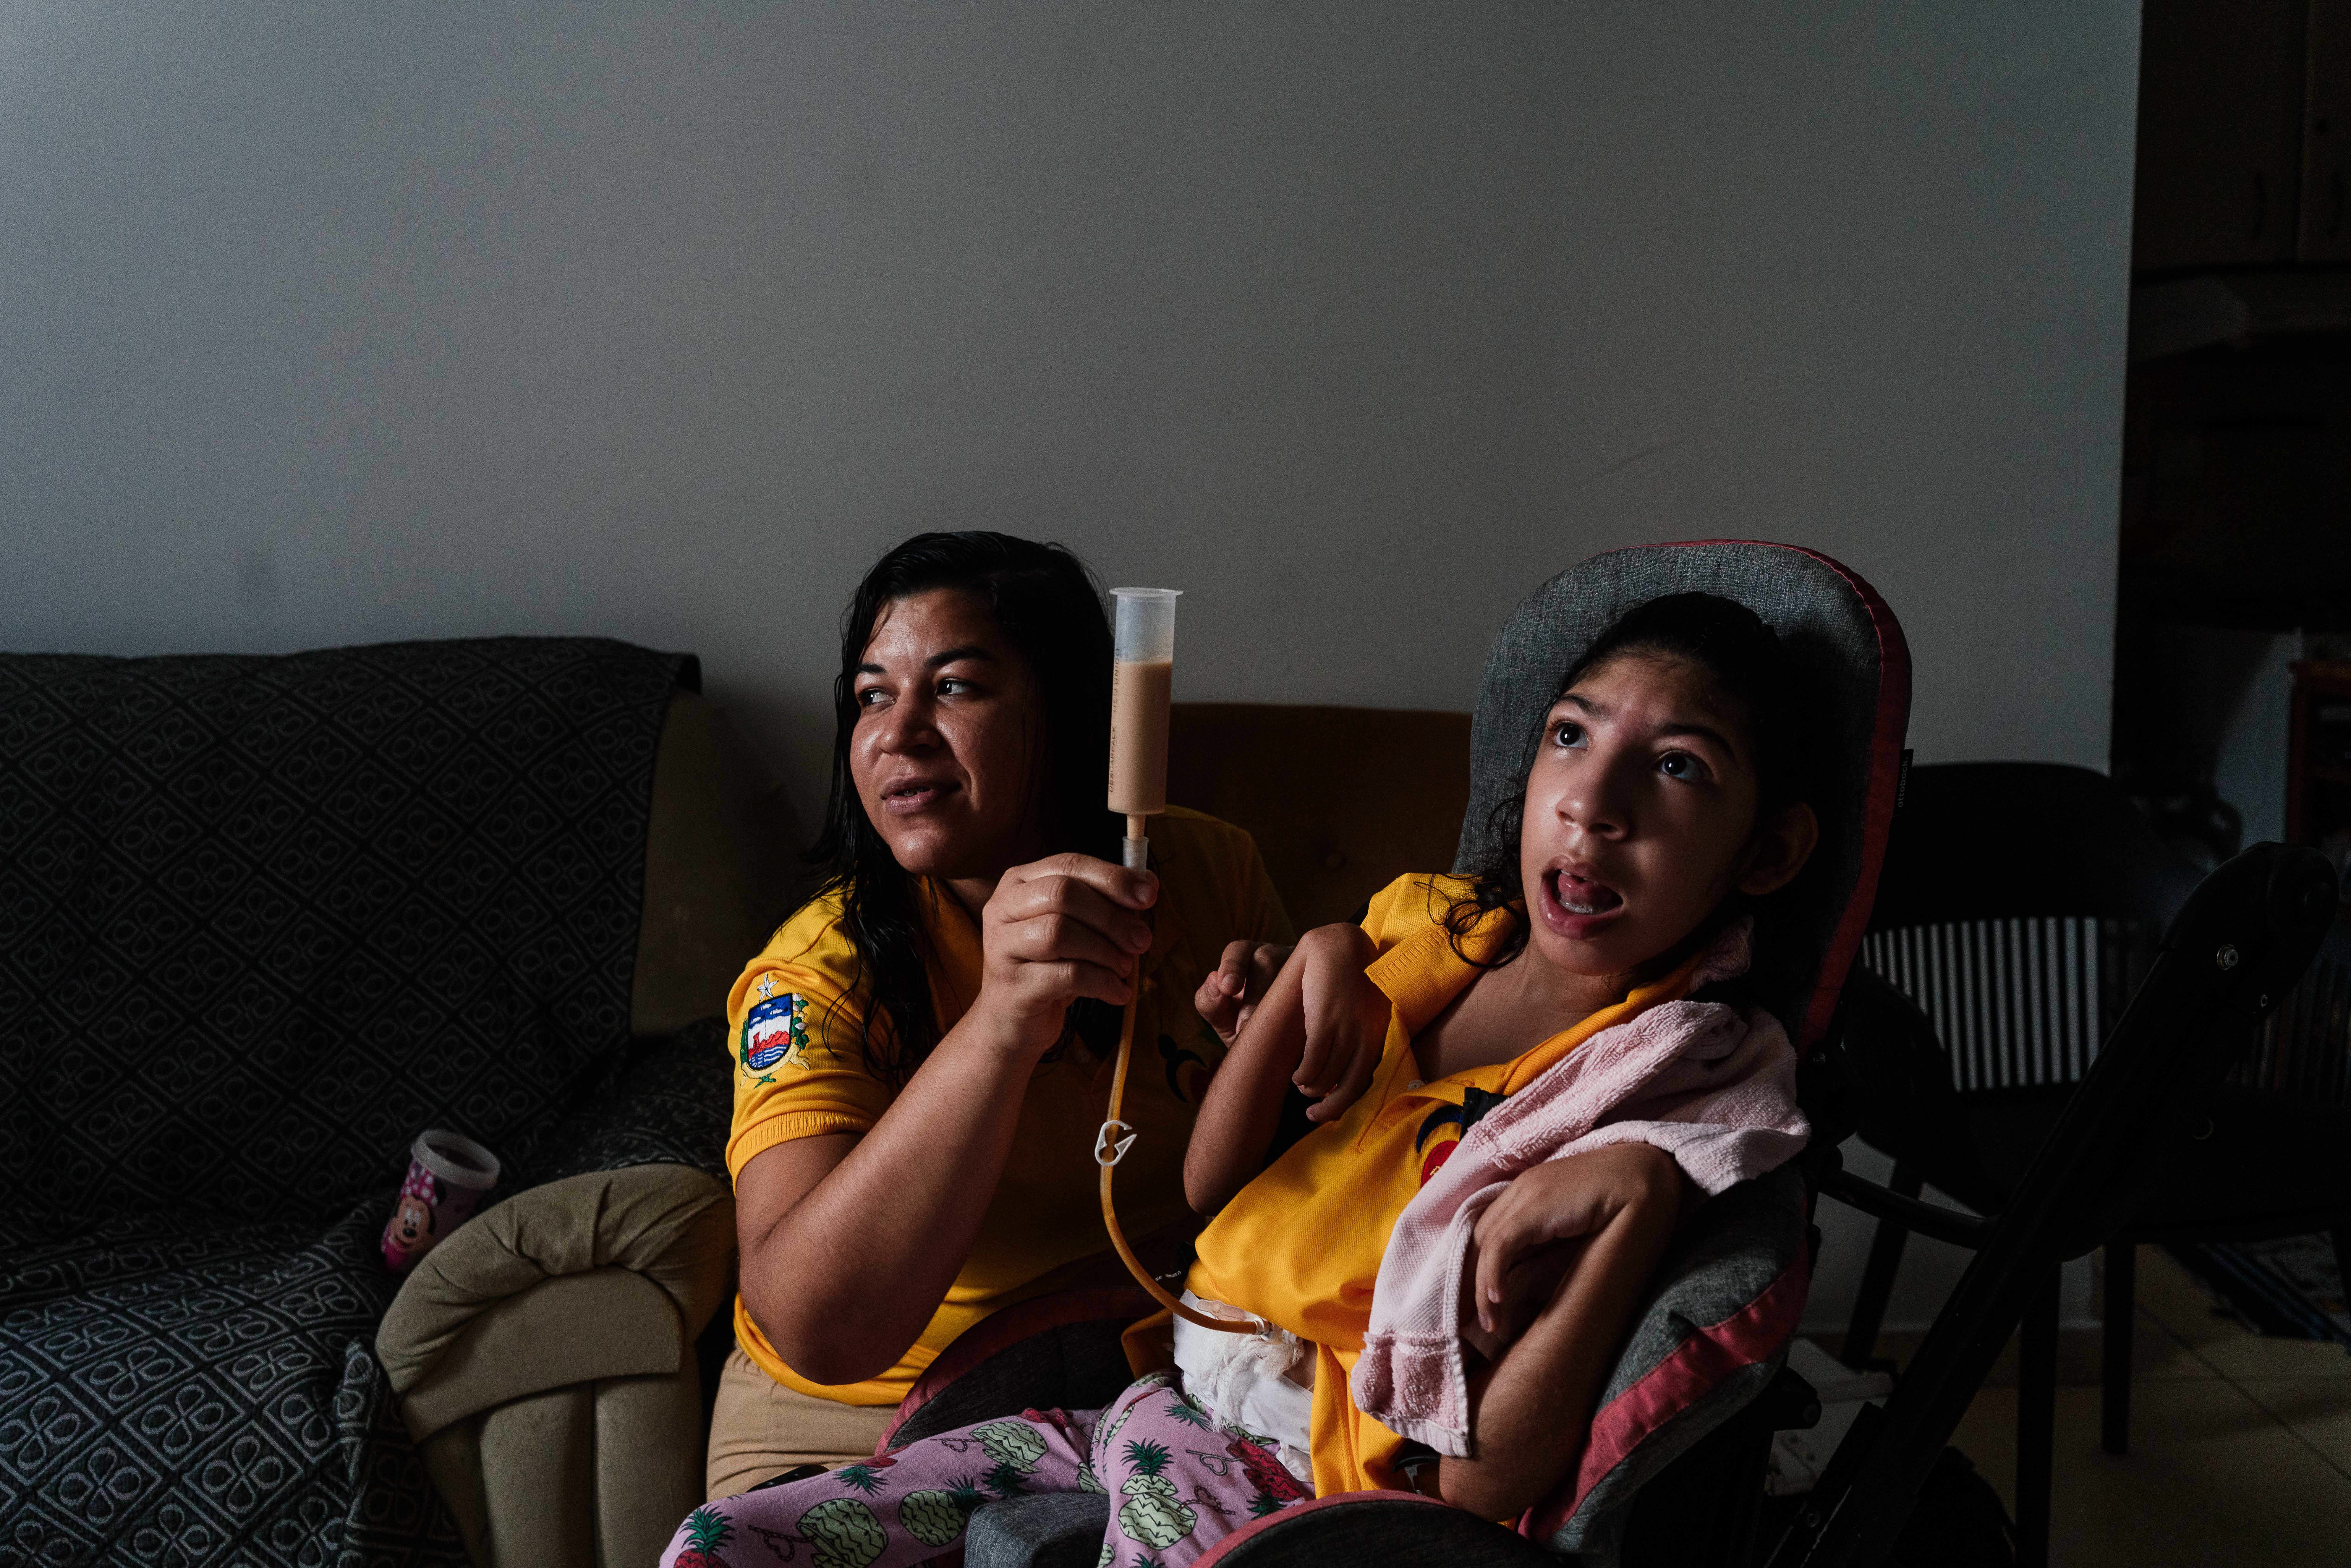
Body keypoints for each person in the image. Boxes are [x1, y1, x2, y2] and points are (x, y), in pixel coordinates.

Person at [668, 589, 1821, 1568]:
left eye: (1673, 766)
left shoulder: (1650, 1088)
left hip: (1287, 1466)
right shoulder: (1428, 933)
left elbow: (1480, 1491)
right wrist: (1319, 957)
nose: (1590, 801)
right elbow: (1223, 1194)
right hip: (1137, 1387)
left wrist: (1636, 1202)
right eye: (1569, 737)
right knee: (729, 1544)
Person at [704, 531, 1295, 1500]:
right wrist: (1001, 1024)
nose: (898, 735)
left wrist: (1284, 1043)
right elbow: (819, 1328)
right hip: (862, 1416)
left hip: (1160, 1372)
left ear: (1065, 710)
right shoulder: (817, 973)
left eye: (955, 687)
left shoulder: (1206, 871)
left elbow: (1295, 1181)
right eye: (871, 697)